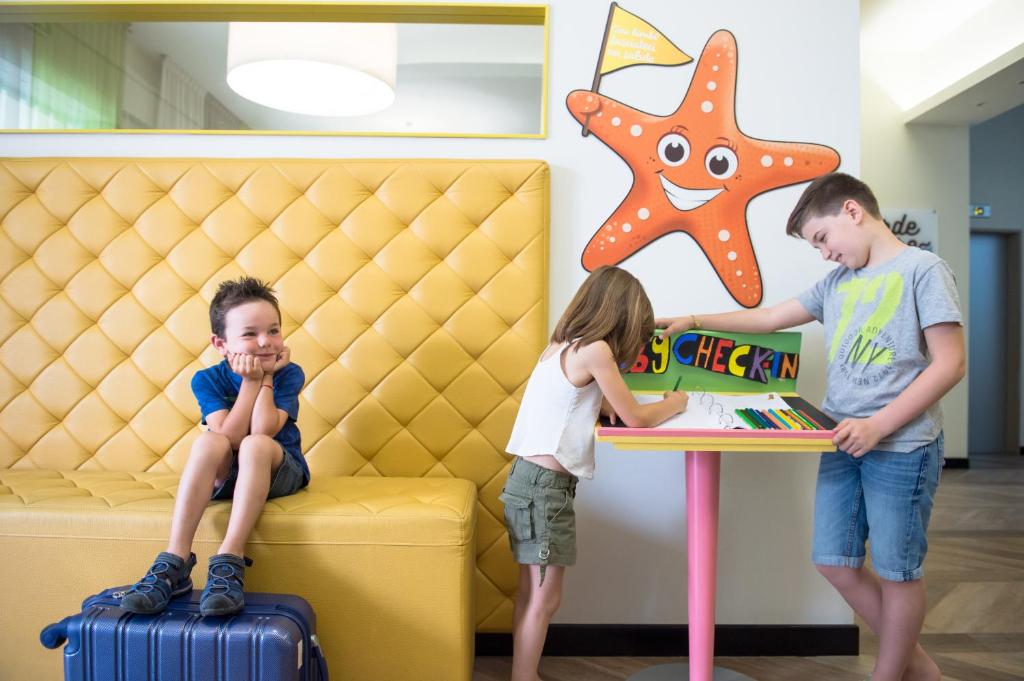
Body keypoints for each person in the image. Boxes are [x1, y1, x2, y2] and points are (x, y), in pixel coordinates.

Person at [658, 173, 964, 681]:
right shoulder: (836, 283)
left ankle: (887, 675)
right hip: (841, 441)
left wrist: (878, 425)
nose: (823, 254)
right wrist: (694, 318)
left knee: (897, 572)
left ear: (851, 211)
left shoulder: (924, 271)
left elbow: (950, 364)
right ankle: (922, 670)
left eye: (821, 238)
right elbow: (772, 317)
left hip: (903, 446)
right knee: (834, 561)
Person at [502, 265, 688, 681]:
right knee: (545, 600)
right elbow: (636, 417)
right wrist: (676, 402)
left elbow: (597, 407)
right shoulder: (596, 350)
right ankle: (523, 677)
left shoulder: (560, 346)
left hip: (525, 483)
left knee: (530, 594)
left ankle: (522, 673)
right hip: (545, 491)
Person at [120, 276, 308, 617]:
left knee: (255, 445)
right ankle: (175, 561)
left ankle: (230, 559)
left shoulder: (288, 373)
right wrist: (250, 384)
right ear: (221, 344)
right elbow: (228, 437)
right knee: (209, 441)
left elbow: (263, 430)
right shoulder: (206, 379)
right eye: (250, 334)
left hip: (279, 469)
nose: (266, 342)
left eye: (274, 330)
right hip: (228, 476)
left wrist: (265, 378)